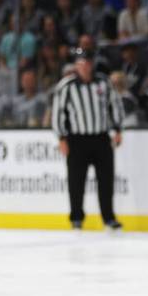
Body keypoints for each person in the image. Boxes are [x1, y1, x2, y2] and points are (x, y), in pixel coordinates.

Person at [51, 48, 125, 230]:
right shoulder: (66, 86)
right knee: (76, 181)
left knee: (106, 180)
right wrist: (61, 137)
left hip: (100, 138)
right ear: (76, 65)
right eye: (80, 63)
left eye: (87, 62)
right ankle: (76, 217)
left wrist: (117, 128)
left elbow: (114, 105)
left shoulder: (103, 83)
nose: (84, 66)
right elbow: (58, 113)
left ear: (92, 64)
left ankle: (108, 217)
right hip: (77, 140)